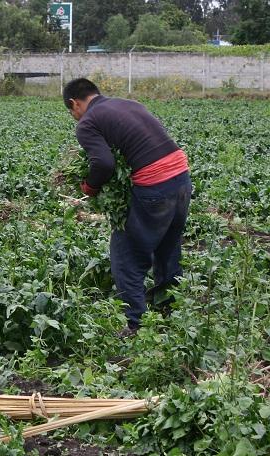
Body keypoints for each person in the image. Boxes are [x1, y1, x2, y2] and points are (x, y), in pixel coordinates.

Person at [63, 78, 192, 336]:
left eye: (72, 112)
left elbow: (104, 163)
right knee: (168, 246)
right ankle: (171, 311)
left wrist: (89, 186)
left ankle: (136, 324)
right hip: (181, 177)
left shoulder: (87, 122)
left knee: (126, 255)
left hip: (155, 184)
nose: (75, 117)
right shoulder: (128, 104)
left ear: (74, 103)